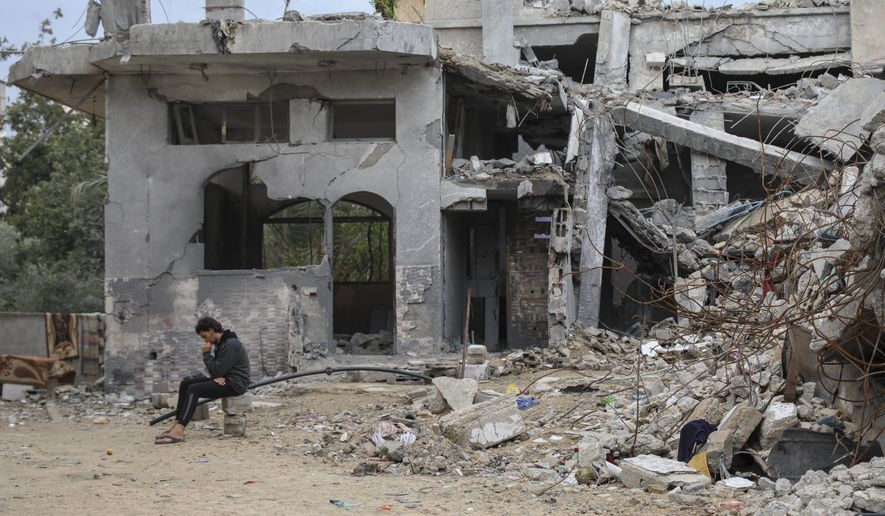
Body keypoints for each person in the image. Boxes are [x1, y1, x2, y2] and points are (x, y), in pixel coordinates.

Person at [155, 317, 251, 444]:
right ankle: (176, 423)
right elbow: (218, 371)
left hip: (235, 384)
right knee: (186, 383)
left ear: (211, 330)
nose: (205, 340)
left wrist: (206, 354)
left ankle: (179, 430)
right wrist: (219, 375)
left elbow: (216, 370)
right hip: (227, 379)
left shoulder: (230, 344)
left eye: (204, 336)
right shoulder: (222, 343)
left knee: (194, 389)